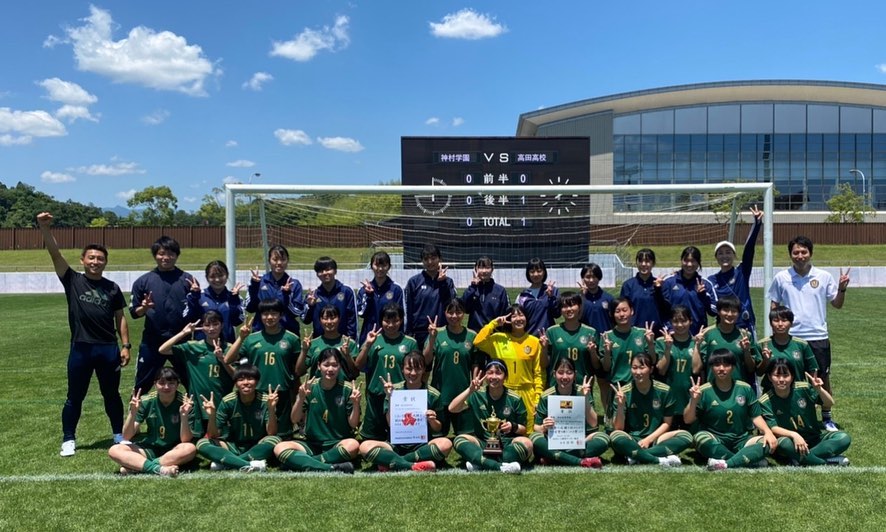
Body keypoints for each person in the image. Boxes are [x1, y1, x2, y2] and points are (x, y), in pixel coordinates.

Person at [37, 211, 130, 456]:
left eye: (100, 258)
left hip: (107, 348)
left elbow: (120, 317)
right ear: (83, 260)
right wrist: (45, 228)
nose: (95, 261)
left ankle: (119, 435)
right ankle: (69, 439)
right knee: (74, 397)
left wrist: (126, 345)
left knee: (111, 395)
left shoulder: (112, 288)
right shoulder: (72, 280)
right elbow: (54, 254)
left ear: (105, 262)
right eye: (91, 257)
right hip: (81, 347)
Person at [768, 235, 850, 431]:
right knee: (789, 378)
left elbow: (837, 304)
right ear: (790, 255)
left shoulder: (823, 277)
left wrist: (842, 289)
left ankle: (826, 417)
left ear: (810, 253)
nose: (800, 256)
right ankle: (791, 415)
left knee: (822, 378)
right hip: (791, 337)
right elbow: (774, 307)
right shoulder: (782, 277)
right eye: (795, 252)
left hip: (818, 336)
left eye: (804, 252)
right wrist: (776, 331)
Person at [684, 349, 777, 471]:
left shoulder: (745, 389)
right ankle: (744, 460)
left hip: (741, 440)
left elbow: (756, 416)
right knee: (700, 438)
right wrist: (693, 400)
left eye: (726, 365)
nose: (721, 368)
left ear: (733, 367)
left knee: (767, 442)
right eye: (717, 365)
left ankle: (725, 463)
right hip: (715, 439)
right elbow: (687, 420)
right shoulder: (703, 391)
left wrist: (767, 432)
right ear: (711, 367)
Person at [360, 351, 451, 472]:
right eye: (409, 368)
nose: (413, 373)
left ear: (424, 370)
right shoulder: (394, 391)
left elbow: (438, 429)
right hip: (394, 444)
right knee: (364, 447)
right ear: (402, 369)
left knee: (446, 444)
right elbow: (390, 423)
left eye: (417, 369)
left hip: (422, 445)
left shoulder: (433, 394)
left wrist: (432, 420)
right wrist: (390, 397)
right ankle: (412, 466)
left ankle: (394, 462)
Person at [273, 349, 360, 474]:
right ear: (319, 366)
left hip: (338, 443)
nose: (330, 369)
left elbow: (353, 424)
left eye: (335, 365)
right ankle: (330, 467)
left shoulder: (347, 389)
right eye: (326, 365)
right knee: (279, 448)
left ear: (340, 366)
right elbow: (295, 419)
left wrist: (356, 403)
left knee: (353, 445)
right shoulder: (309, 388)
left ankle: (304, 463)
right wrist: (300, 398)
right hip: (312, 444)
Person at [130, 235, 195, 395]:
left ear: (177, 255)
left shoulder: (188, 280)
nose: (166, 257)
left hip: (181, 341)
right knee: (141, 386)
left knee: (192, 383)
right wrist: (144, 308)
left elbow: (197, 311)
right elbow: (134, 313)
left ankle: (196, 418)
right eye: (161, 253)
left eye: (170, 254)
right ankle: (133, 419)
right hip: (152, 341)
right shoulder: (143, 281)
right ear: (155, 255)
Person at [225, 299, 300, 438]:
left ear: (281, 315)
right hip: (256, 390)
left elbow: (298, 370)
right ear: (260, 316)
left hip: (281, 390)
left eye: (274, 313)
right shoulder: (251, 339)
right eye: (265, 314)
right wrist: (241, 338)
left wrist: (296, 393)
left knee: (283, 434)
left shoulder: (291, 339)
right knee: (259, 432)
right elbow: (228, 359)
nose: (270, 317)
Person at [759, 359, 851, 466]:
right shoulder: (765, 401)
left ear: (792, 376)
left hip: (813, 439)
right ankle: (824, 462)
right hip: (789, 442)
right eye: (777, 375)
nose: (781, 379)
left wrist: (819, 389)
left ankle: (801, 459)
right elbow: (773, 428)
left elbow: (829, 403)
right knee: (784, 444)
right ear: (770, 377)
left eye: (785, 375)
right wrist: (794, 435)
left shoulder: (804, 388)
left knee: (844, 438)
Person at [159, 311, 236, 437]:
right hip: (198, 405)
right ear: (202, 328)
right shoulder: (193, 347)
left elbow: (236, 376)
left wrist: (223, 359)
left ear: (222, 325)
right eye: (207, 325)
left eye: (215, 324)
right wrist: (184, 333)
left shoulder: (230, 348)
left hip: (221, 403)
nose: (211, 328)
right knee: (196, 439)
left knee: (220, 438)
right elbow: (163, 350)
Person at [108, 368, 197, 476]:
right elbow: (126, 436)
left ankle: (137, 467)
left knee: (190, 448)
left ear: (178, 385)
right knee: (114, 450)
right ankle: (159, 469)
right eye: (162, 383)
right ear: (155, 384)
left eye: (171, 383)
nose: (166, 387)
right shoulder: (146, 401)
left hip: (174, 448)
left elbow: (185, 439)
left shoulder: (185, 403)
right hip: (150, 448)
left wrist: (184, 416)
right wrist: (133, 413)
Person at [608, 353, 692, 467]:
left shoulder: (665, 391)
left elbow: (667, 423)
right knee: (615, 436)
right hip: (632, 439)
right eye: (634, 368)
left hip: (657, 438)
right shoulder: (623, 392)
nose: (638, 372)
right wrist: (620, 405)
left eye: (642, 368)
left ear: (651, 369)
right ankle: (659, 459)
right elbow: (618, 428)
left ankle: (635, 456)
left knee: (686, 436)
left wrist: (648, 440)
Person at [448, 362, 532, 473]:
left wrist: (513, 426)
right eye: (490, 373)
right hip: (482, 443)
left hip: (507, 444)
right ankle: (500, 466)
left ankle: (480, 462)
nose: (494, 377)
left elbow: (524, 430)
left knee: (527, 443)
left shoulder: (515, 399)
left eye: (498, 373)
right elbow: (452, 408)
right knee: (459, 439)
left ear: (505, 377)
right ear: (485, 375)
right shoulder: (477, 394)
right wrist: (470, 390)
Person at [196, 365, 281, 472]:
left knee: (274, 440)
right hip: (233, 446)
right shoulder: (228, 401)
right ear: (236, 383)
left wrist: (271, 409)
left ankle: (228, 462)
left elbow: (271, 432)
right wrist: (212, 415)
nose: (245, 383)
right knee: (202, 443)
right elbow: (213, 435)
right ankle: (249, 464)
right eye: (240, 380)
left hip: (258, 444)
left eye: (250, 379)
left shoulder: (266, 400)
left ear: (257, 382)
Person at [473, 304, 544, 432]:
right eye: (514, 316)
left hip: (527, 393)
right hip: (503, 392)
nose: (518, 319)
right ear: (508, 319)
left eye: (521, 315)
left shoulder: (534, 342)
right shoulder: (498, 339)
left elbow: (538, 373)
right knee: (502, 429)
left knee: (527, 431)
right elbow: (478, 342)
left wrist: (538, 397)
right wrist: (494, 323)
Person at [530, 358, 608, 468]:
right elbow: (536, 427)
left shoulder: (582, 392)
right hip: (554, 441)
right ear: (554, 374)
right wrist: (544, 427)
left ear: (575, 374)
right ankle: (580, 460)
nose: (565, 377)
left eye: (569, 373)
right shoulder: (546, 396)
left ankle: (554, 457)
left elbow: (594, 423)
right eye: (560, 373)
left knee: (604, 438)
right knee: (534, 438)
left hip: (579, 440)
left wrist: (585, 398)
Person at [356, 303, 418, 441]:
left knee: (401, 437)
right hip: (376, 394)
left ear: (401, 320)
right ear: (381, 321)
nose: (391, 325)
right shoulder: (373, 340)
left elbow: (416, 370)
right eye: (387, 321)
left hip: (400, 397)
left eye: (395, 321)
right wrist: (367, 345)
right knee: (371, 439)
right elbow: (359, 365)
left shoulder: (410, 343)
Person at [423, 298, 481, 435]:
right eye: (450, 312)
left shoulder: (472, 336)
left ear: (464, 313)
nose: (454, 316)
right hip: (441, 392)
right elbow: (426, 360)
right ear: (445, 313)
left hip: (463, 393)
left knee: (467, 436)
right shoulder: (437, 333)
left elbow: (475, 363)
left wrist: (474, 385)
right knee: (437, 436)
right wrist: (431, 339)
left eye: (458, 312)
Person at [709, 206, 763, 338]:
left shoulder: (741, 272)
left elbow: (749, 249)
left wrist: (757, 224)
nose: (724, 256)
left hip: (745, 326)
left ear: (734, 255)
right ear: (716, 258)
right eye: (720, 253)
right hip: (723, 328)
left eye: (728, 252)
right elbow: (710, 306)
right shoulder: (711, 280)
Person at [599, 297, 655, 413]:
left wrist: (650, 344)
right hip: (617, 386)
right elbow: (606, 367)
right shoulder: (607, 337)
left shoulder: (642, 334)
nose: (622, 314)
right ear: (612, 314)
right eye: (617, 311)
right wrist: (608, 351)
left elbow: (653, 361)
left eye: (625, 310)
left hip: (639, 385)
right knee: (616, 427)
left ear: (632, 311)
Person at [693, 295, 759, 387]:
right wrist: (697, 345)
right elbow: (696, 369)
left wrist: (746, 351)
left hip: (737, 390)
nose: (730, 314)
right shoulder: (707, 334)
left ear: (739, 313)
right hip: (713, 389)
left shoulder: (745, 335)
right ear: (719, 312)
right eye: (726, 310)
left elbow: (751, 369)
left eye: (734, 311)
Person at [404, 243, 457, 350]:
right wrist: (409, 332)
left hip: (442, 331)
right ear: (422, 261)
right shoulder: (414, 282)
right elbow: (408, 309)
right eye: (426, 259)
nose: (430, 262)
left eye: (433, 258)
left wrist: (442, 284)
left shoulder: (448, 282)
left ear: (440, 259)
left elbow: (451, 306)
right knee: (421, 365)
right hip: (420, 332)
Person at [756, 306, 818, 394]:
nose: (780, 324)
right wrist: (766, 361)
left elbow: (812, 371)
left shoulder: (802, 345)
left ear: (791, 323)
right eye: (776, 320)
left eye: (784, 320)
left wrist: (813, 393)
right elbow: (759, 373)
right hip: (771, 394)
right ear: (770, 323)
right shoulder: (762, 345)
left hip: (797, 393)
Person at [541, 292, 597, 388]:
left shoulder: (590, 332)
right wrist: (544, 349)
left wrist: (593, 352)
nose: (569, 309)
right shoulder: (552, 332)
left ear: (579, 307)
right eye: (565, 306)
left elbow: (596, 366)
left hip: (582, 386)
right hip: (557, 386)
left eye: (572, 305)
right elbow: (543, 364)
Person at [244, 244, 305, 335]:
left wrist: (286, 295)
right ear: (269, 261)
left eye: (283, 259)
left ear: (287, 261)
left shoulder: (294, 284)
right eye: (275, 259)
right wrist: (254, 287)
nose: (279, 263)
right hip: (261, 332)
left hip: (288, 332)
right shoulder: (259, 282)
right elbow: (249, 308)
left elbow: (297, 312)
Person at [184, 260, 244, 343]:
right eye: (212, 276)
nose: (217, 279)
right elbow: (188, 319)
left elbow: (237, 321)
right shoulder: (198, 297)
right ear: (206, 277)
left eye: (221, 275)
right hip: (202, 347)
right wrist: (194, 298)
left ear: (227, 275)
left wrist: (233, 301)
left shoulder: (235, 297)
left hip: (227, 346)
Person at [661, 246, 717, 336]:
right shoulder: (669, 282)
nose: (689, 264)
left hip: (698, 336)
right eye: (686, 260)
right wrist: (669, 328)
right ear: (681, 261)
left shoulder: (706, 284)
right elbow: (661, 310)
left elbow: (714, 312)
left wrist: (704, 296)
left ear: (698, 263)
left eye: (693, 261)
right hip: (674, 335)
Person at [654, 305, 694, 428]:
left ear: (690, 321)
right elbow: (661, 370)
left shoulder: (696, 342)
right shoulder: (662, 342)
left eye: (683, 321)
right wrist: (667, 349)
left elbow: (697, 369)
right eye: (675, 321)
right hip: (668, 395)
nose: (680, 325)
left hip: (688, 395)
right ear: (671, 322)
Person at [296, 305, 359, 382]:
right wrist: (304, 350)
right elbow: (299, 372)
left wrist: (347, 356)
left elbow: (356, 373)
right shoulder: (313, 344)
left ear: (339, 319)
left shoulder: (349, 343)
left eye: (332, 318)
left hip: (342, 391)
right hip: (318, 392)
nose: (329, 322)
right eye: (325, 318)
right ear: (320, 320)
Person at [303, 256, 358, 339]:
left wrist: (351, 341)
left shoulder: (347, 291)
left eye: (328, 269)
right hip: (320, 342)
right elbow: (306, 320)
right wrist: (310, 306)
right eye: (321, 271)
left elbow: (352, 319)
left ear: (335, 271)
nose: (325, 273)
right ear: (317, 274)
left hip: (343, 342)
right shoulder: (313, 295)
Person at [357, 251, 404, 344]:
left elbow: (401, 315)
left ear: (389, 267)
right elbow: (361, 313)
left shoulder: (396, 289)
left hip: (390, 336)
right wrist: (369, 295)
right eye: (377, 265)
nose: (380, 269)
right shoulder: (363, 290)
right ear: (371, 266)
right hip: (369, 334)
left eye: (384, 265)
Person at [619, 249, 669, 335]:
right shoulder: (628, 285)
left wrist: (658, 289)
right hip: (634, 332)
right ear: (637, 263)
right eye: (640, 261)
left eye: (647, 261)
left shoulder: (661, 285)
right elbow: (623, 309)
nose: (643, 264)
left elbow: (666, 309)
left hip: (656, 332)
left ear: (653, 263)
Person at [463, 255, 510, 332]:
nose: (484, 271)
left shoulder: (500, 291)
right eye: (481, 267)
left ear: (492, 269)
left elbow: (506, 315)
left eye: (487, 267)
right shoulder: (472, 289)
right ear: (475, 269)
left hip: (494, 335)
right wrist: (473, 287)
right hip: (475, 334)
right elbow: (464, 308)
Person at [515, 257, 559, 336]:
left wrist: (551, 297)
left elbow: (557, 314)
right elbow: (518, 319)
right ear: (528, 273)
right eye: (532, 271)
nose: (535, 274)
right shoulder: (522, 295)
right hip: (529, 339)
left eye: (539, 271)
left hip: (548, 338)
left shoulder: (553, 291)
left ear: (544, 272)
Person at [578, 262, 614, 335]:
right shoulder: (578, 299)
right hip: (584, 339)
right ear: (583, 278)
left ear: (599, 277)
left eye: (594, 277)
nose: (591, 280)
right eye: (588, 277)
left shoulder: (609, 298)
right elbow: (576, 319)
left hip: (605, 339)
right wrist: (582, 297)